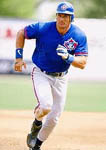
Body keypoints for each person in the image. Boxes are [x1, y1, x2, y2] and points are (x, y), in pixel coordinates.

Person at [14, 2, 88, 150]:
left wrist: (69, 58)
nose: (62, 19)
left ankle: (37, 144)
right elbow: (21, 33)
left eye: (66, 16)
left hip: (61, 77)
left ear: (71, 18)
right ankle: (37, 121)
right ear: (56, 16)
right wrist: (18, 58)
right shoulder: (43, 28)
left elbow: (83, 62)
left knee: (54, 117)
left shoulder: (79, 35)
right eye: (60, 15)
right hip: (41, 72)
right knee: (46, 105)